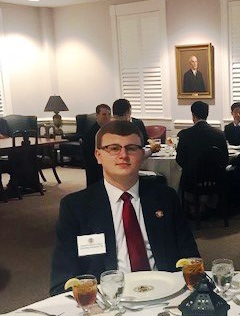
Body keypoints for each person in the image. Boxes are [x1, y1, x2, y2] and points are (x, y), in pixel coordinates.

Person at [50, 120, 199, 295]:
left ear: (142, 154)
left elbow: (191, 260)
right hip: (108, 300)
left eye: (131, 148)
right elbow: (62, 283)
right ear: (98, 155)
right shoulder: (76, 207)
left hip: (165, 293)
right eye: (113, 148)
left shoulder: (165, 198)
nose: (123, 155)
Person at [176, 101, 228, 188]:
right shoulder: (219, 134)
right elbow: (225, 159)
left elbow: (180, 159)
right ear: (207, 115)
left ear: (193, 116)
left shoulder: (185, 134)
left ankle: (182, 201)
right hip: (215, 180)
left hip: (192, 181)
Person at [82, 104, 111, 186]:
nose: (107, 117)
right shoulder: (93, 133)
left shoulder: (107, 130)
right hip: (96, 168)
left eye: (109, 114)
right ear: (97, 116)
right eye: (104, 114)